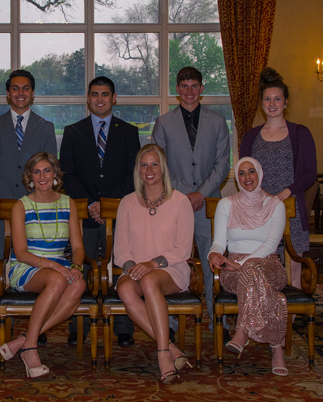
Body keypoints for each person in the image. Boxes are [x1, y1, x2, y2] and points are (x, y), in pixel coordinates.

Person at [151, 66, 231, 338]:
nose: (189, 91)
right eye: (184, 86)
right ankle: (171, 324)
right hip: (174, 204)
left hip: (209, 205)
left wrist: (201, 193)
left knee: (213, 261)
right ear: (177, 90)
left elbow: (222, 165)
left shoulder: (218, 122)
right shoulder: (163, 123)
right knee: (174, 262)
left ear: (202, 88)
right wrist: (185, 194)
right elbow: (160, 165)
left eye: (194, 85)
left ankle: (217, 319)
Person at [60, 76, 140, 347]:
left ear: (114, 98)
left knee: (122, 266)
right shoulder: (73, 131)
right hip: (85, 214)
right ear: (88, 98)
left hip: (120, 213)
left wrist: (107, 202)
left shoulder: (129, 132)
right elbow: (66, 173)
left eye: (105, 94)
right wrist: (92, 202)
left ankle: (123, 325)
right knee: (81, 267)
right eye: (94, 94)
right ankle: (77, 324)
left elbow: (134, 173)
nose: (100, 99)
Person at [0, 69, 56, 345]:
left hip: (36, 209)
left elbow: (49, 169)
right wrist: (13, 204)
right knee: (4, 266)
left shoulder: (45, 127)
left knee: (37, 265)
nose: (21, 93)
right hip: (3, 210)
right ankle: (6, 325)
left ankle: (39, 327)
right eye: (15, 88)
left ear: (33, 93)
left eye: (26, 88)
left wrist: (28, 201)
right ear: (8, 93)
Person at [0, 152, 86, 378]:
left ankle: (24, 340)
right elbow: (21, 252)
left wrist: (75, 267)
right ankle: (30, 349)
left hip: (59, 266)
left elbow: (77, 247)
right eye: (36, 172)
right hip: (26, 266)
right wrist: (54, 267)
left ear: (55, 174)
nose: (42, 176)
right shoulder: (20, 206)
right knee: (57, 279)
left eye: (47, 170)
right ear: (29, 177)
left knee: (78, 286)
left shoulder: (68, 203)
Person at [114, 144, 194, 383]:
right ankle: (169, 347)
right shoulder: (127, 202)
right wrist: (132, 267)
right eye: (144, 165)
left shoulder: (180, 201)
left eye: (154, 164)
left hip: (171, 269)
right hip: (137, 270)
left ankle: (161, 354)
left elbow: (183, 249)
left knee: (149, 280)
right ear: (138, 170)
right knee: (125, 287)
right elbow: (120, 250)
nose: (149, 170)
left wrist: (151, 264)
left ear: (163, 168)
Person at [208, 157, 288, 376]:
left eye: (251, 171)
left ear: (260, 174)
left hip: (269, 264)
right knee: (263, 286)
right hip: (233, 269)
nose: (247, 177)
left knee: (253, 269)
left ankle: (242, 329)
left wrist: (242, 264)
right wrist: (213, 253)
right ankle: (276, 348)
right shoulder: (226, 204)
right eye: (241, 173)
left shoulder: (275, 205)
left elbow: (271, 244)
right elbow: (218, 243)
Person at [239, 67, 317, 289]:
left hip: (291, 208)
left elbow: (310, 173)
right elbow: (243, 173)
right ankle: (267, 321)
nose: (272, 104)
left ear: (285, 103)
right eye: (267, 99)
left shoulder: (300, 133)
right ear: (261, 103)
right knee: (262, 271)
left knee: (292, 275)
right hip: (258, 211)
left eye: (277, 99)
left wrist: (285, 193)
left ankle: (288, 324)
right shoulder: (250, 136)